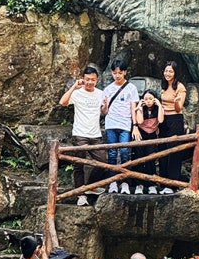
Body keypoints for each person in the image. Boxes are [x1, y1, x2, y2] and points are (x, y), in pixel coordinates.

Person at [59, 65, 109, 206]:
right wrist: (74, 87)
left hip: (95, 134)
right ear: (83, 79)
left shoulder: (100, 93)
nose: (89, 82)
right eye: (87, 79)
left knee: (103, 162)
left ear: (97, 80)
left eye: (92, 79)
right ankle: (80, 195)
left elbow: (104, 111)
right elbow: (62, 102)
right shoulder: (77, 93)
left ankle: (91, 187)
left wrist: (105, 105)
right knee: (79, 164)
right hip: (80, 133)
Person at [102, 57, 140, 195]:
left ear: (125, 72)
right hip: (111, 124)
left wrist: (135, 125)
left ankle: (125, 182)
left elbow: (133, 108)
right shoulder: (108, 89)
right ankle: (112, 182)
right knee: (112, 153)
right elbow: (104, 111)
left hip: (125, 124)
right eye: (114, 73)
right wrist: (105, 106)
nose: (117, 75)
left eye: (120, 72)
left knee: (124, 152)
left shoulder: (131, 88)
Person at [158, 61, 187, 192]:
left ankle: (172, 184)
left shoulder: (180, 87)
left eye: (170, 71)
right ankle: (163, 183)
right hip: (163, 120)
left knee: (174, 151)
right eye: (166, 71)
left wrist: (176, 102)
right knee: (163, 150)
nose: (167, 74)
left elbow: (179, 108)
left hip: (175, 119)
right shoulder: (163, 86)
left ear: (175, 73)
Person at [133, 89, 164, 194]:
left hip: (152, 135)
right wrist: (139, 107)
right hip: (141, 135)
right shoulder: (141, 108)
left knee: (150, 158)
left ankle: (151, 185)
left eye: (151, 99)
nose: (148, 101)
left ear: (155, 99)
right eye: (146, 99)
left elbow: (161, 120)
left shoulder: (158, 108)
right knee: (139, 158)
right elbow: (140, 121)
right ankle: (138, 184)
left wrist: (159, 105)